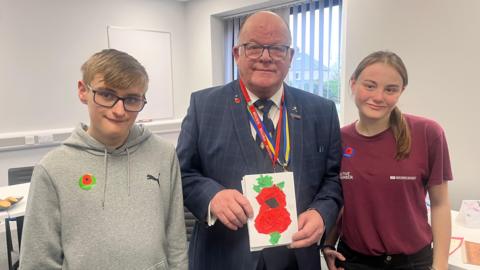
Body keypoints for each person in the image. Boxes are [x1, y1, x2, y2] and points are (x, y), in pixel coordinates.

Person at [176, 11, 342, 270]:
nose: (265, 57)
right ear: (236, 53)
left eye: (277, 48)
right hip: (224, 257)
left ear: (290, 56)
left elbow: (333, 180)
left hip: (296, 258)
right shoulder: (203, 106)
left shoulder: (322, 111)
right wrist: (212, 197)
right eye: (254, 47)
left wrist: (322, 213)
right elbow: (182, 174)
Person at [19, 49, 188, 269]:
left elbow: (175, 239)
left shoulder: (163, 155)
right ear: (83, 91)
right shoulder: (53, 168)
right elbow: (38, 260)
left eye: (131, 99)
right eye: (107, 95)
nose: (119, 111)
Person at [323, 51, 452, 270]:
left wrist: (440, 266)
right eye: (370, 85)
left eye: (390, 89)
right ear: (353, 84)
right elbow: (339, 199)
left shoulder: (428, 133)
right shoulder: (338, 139)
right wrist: (327, 243)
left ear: (401, 91)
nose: (379, 97)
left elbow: (440, 205)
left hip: (412, 261)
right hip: (354, 261)